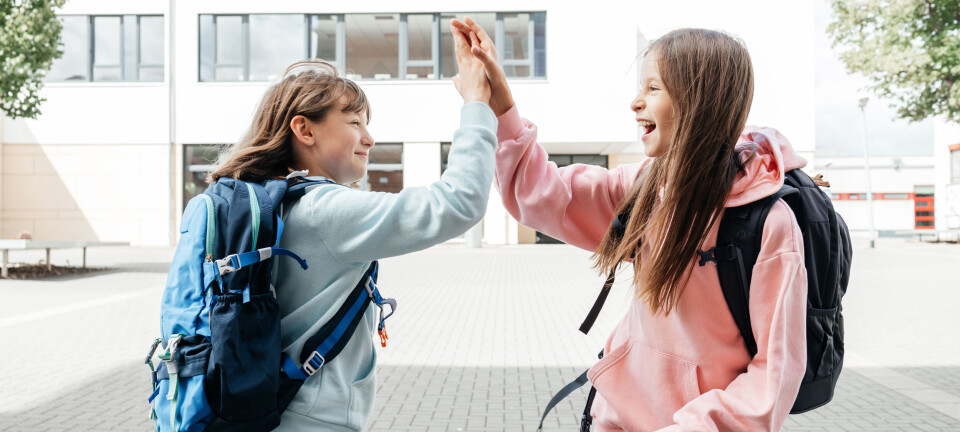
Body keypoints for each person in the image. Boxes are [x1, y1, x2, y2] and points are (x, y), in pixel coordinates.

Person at [453, 18, 808, 431]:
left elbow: (775, 374)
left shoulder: (768, 222)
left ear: (699, 101)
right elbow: (542, 195)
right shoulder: (644, 186)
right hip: (614, 419)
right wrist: (500, 106)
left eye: (653, 88)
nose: (635, 102)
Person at [206, 25, 496, 431]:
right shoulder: (323, 209)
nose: (370, 138)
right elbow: (459, 202)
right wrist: (477, 103)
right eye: (355, 122)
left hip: (270, 412)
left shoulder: (265, 203)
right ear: (304, 129)